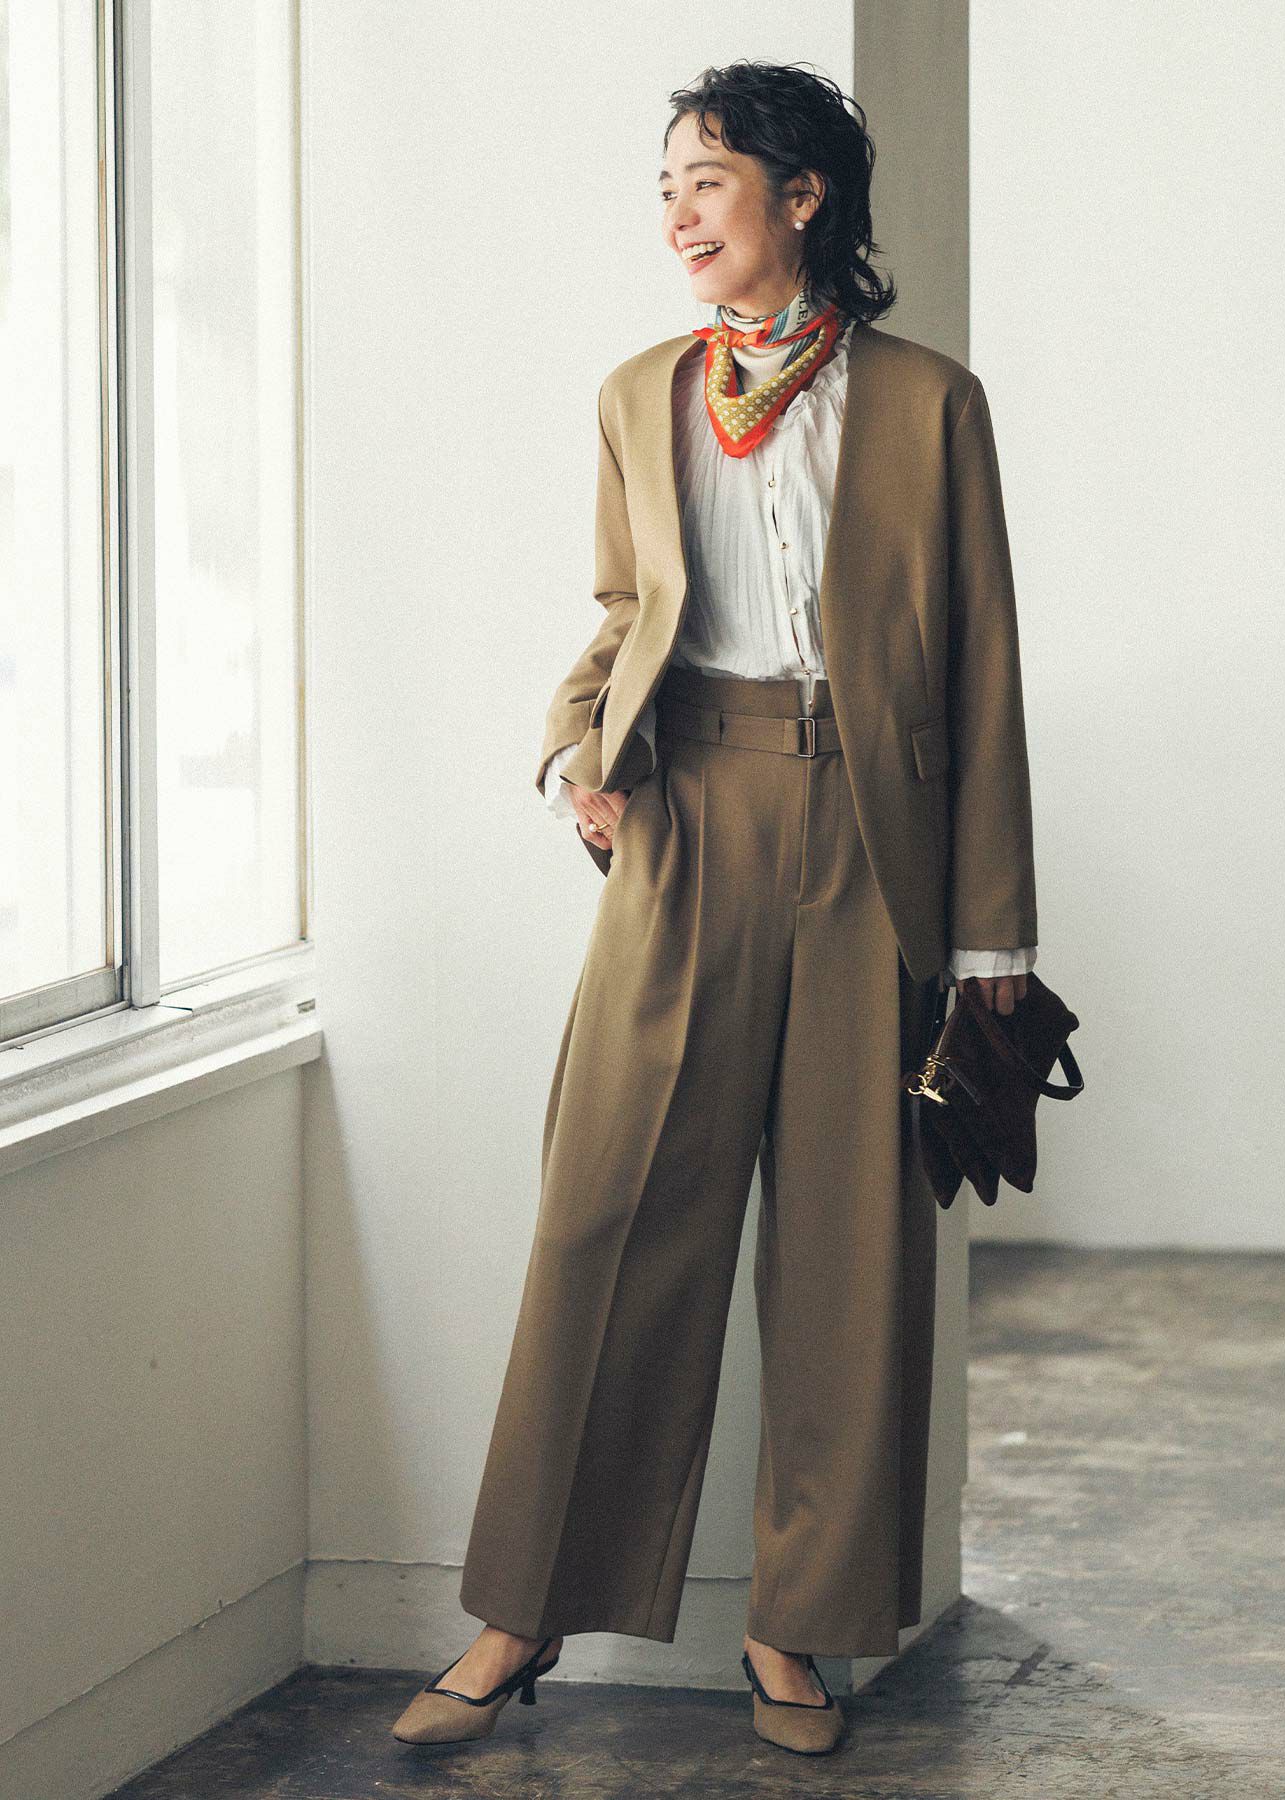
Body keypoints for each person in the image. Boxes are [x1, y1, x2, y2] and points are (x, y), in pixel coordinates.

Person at [392, 58, 1037, 1758]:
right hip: (686, 811)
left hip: (877, 842)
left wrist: (992, 941)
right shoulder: (640, 394)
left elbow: (982, 670)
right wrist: (573, 754)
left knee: (849, 1245)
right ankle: (523, 1609)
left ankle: (796, 1629)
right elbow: (625, 612)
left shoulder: (929, 403)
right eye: (667, 186)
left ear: (800, 197)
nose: (679, 214)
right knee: (606, 1212)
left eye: (709, 180)